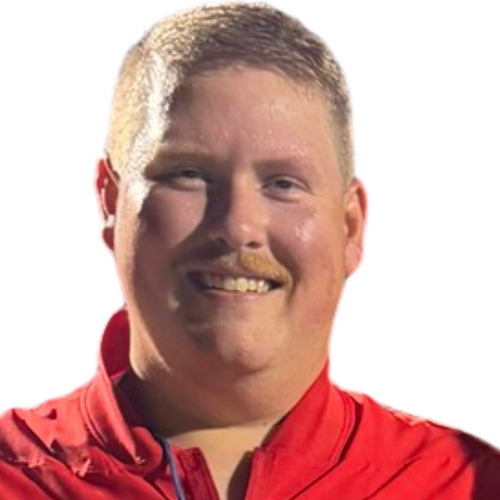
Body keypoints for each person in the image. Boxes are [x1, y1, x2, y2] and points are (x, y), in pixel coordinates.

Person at [0, 1, 498, 499]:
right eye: (188, 174)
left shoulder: (470, 482)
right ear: (108, 202)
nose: (238, 226)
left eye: (283, 183)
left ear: (352, 227)